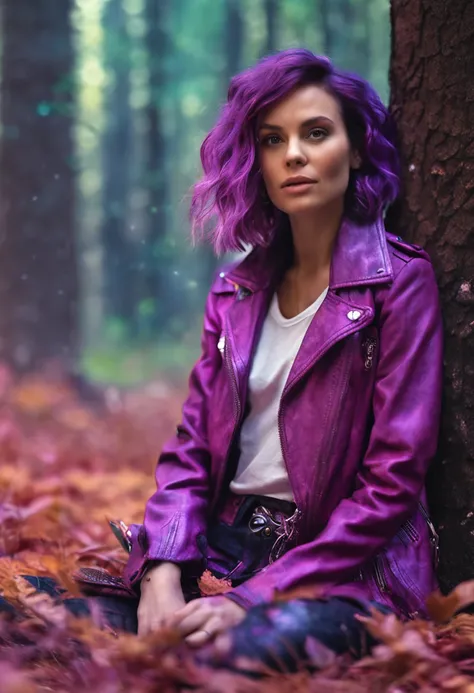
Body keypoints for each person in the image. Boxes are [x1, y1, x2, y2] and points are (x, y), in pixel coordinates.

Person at [1, 49, 443, 672]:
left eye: (316, 133)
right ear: (256, 160)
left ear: (358, 148)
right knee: (24, 614)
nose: (293, 154)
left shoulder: (398, 281)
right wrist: (162, 569)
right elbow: (189, 451)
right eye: (272, 139)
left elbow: (392, 480)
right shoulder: (237, 290)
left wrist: (253, 599)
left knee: (218, 656)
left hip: (339, 570)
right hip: (225, 550)